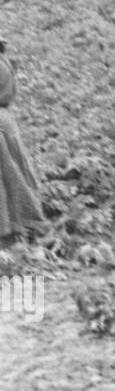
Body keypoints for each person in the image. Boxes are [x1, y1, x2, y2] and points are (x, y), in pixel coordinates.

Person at [0, 49, 46, 248]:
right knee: (15, 176)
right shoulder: (3, 62)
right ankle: (20, 231)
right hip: (6, 121)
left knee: (8, 180)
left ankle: (11, 233)